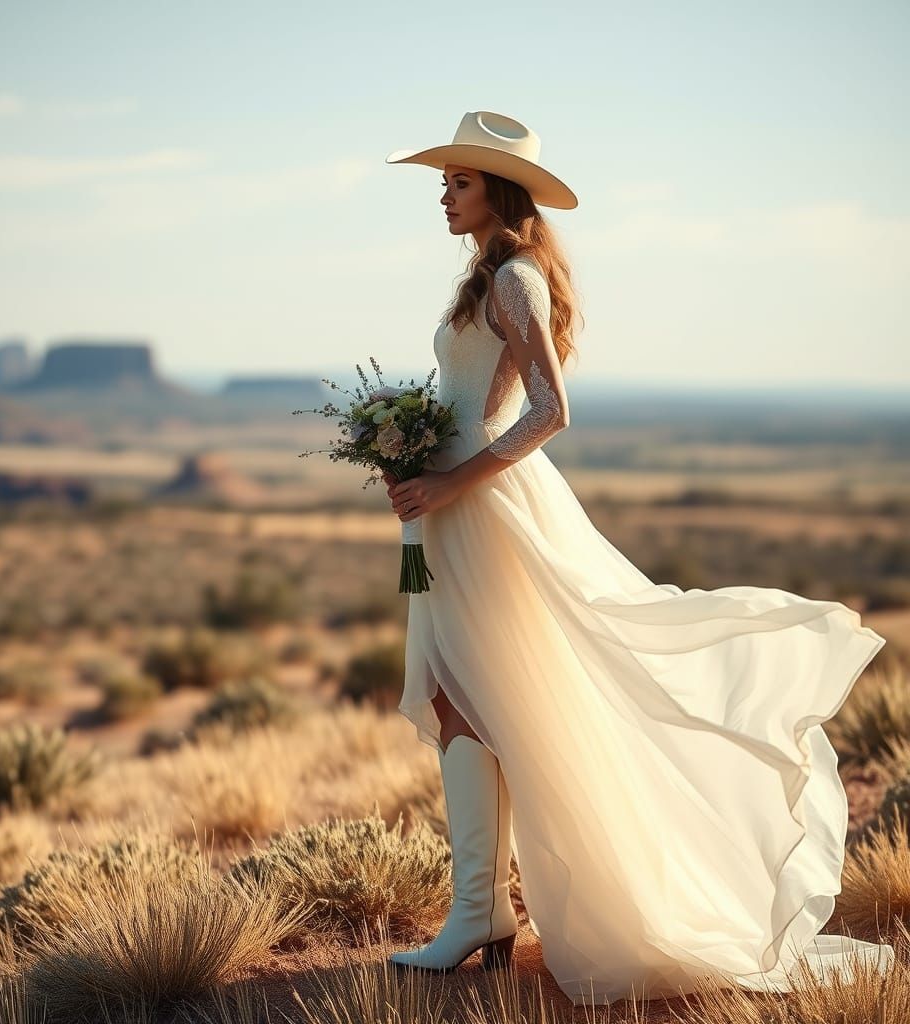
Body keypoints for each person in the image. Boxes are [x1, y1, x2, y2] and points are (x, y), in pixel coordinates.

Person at [379, 110, 895, 1005]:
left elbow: (550, 413)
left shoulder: (514, 279)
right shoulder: (483, 277)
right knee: (453, 692)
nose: (444, 194)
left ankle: (478, 916)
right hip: (451, 508)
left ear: (499, 190)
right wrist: (411, 460)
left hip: (487, 509)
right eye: (446, 180)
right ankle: (482, 914)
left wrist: (453, 482)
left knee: (473, 694)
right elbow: (465, 397)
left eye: (459, 181)